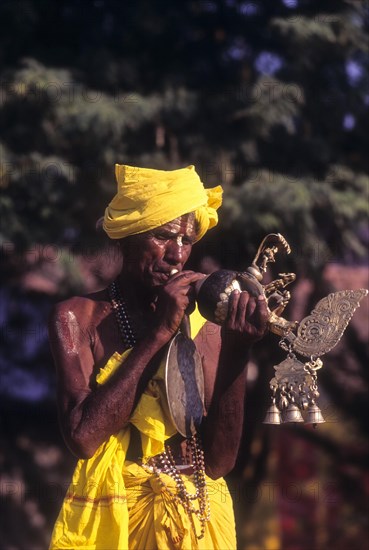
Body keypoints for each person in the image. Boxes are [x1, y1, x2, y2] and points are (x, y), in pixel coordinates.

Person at [48, 164, 268, 549]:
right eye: (164, 237)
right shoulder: (75, 317)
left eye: (187, 239)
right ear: (126, 238)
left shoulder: (206, 323)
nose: (177, 255)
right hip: (118, 520)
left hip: (199, 517)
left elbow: (218, 462)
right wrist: (161, 332)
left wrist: (238, 349)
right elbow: (83, 438)